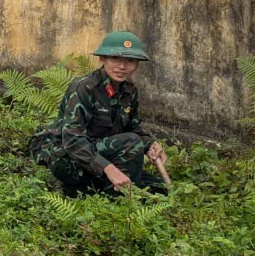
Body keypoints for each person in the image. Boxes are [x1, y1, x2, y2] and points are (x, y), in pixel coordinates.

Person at [30, 31, 168, 197]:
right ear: (103, 59)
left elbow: (134, 128)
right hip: (68, 158)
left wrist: (150, 145)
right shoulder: (84, 87)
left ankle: (105, 187)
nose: (122, 66)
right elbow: (73, 140)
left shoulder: (129, 90)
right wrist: (108, 169)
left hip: (100, 152)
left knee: (158, 188)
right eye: (115, 59)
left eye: (130, 61)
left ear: (137, 64)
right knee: (131, 144)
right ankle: (106, 195)